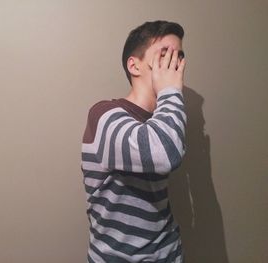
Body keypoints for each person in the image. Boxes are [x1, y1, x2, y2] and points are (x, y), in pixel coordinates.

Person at [81, 20, 187, 262]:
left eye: (179, 57)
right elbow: (164, 155)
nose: (175, 65)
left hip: (169, 253)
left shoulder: (168, 117)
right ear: (134, 65)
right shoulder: (104, 114)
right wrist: (171, 92)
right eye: (165, 55)